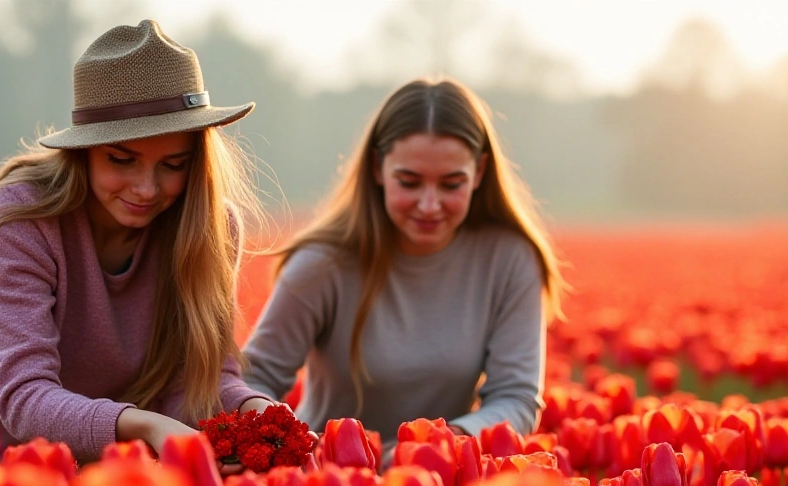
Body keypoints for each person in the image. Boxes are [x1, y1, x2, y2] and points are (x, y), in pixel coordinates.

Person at [0, 20, 273, 463]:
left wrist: (253, 409)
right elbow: (24, 398)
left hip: (114, 461)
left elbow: (198, 384)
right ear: (83, 151)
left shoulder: (206, 225)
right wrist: (144, 425)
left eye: (173, 164)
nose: (147, 188)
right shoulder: (24, 218)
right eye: (122, 160)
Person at [242, 78, 568, 450]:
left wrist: (435, 447)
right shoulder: (324, 263)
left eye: (451, 184)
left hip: (445, 479)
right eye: (409, 182)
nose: (429, 205)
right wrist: (295, 444)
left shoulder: (508, 259)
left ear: (479, 172)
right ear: (379, 167)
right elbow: (255, 378)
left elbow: (516, 397)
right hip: (328, 485)